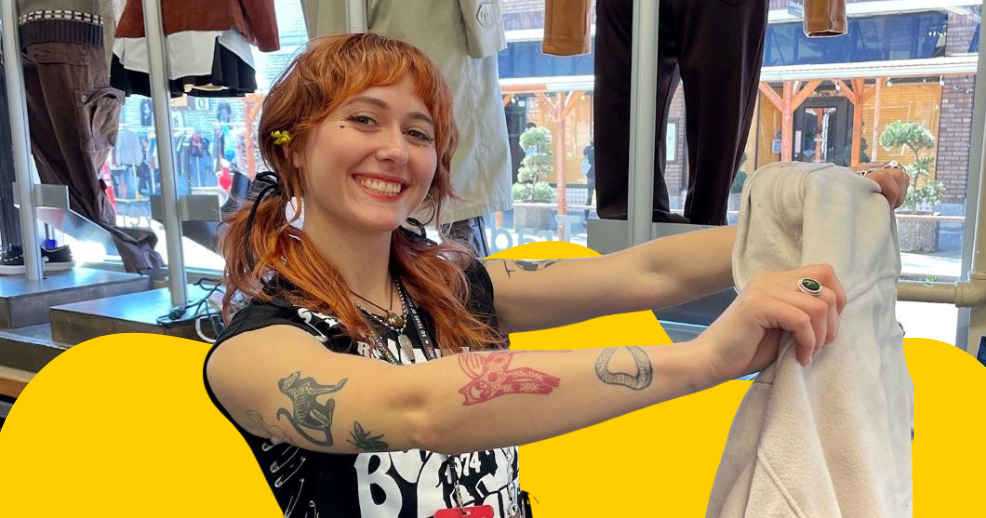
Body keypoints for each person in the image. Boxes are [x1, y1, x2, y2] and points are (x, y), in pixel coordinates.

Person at [206, 34, 910, 518]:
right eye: (364, 120)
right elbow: (414, 408)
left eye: (418, 132)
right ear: (290, 147)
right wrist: (704, 359)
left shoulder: (456, 290)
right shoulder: (256, 350)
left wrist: (816, 211)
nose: (395, 150)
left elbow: (645, 272)